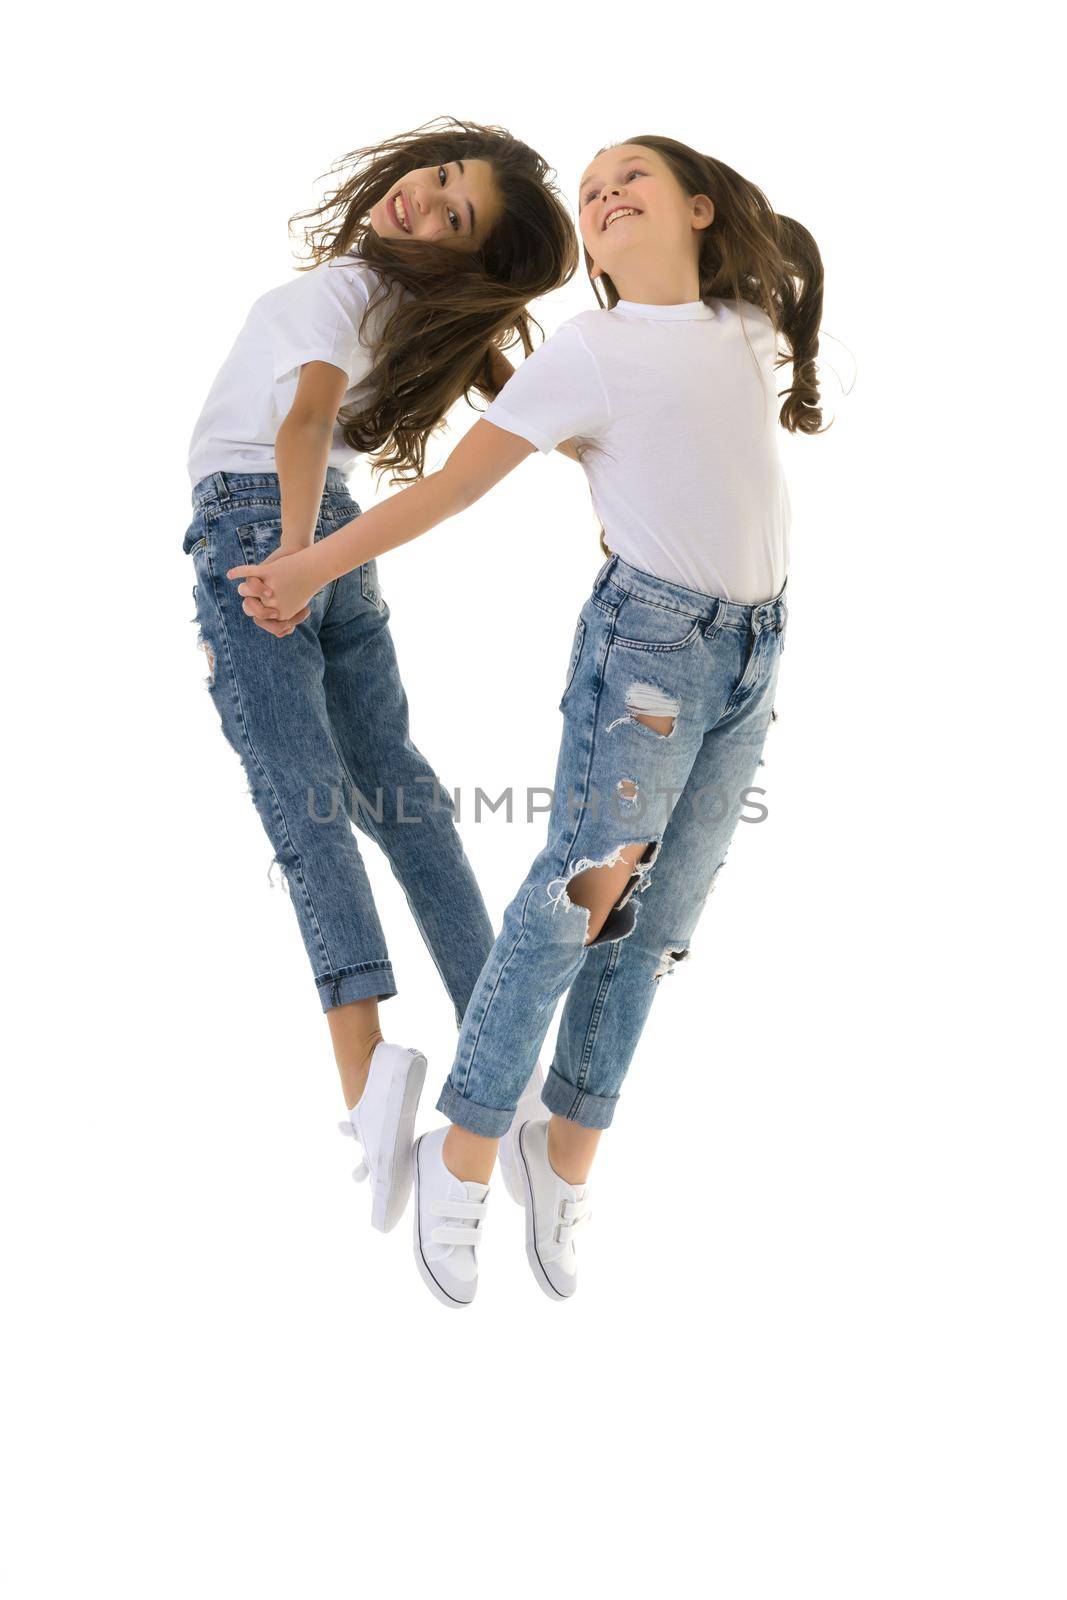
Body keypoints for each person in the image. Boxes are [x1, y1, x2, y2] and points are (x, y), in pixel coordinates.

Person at [228, 135, 825, 1305]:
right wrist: (308, 566)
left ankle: (565, 1151)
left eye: (630, 179)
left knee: (659, 925)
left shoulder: (746, 322)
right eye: (592, 188)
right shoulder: (588, 353)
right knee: (576, 902)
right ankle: (463, 1149)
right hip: (648, 656)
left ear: (698, 210)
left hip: (756, 651)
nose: (604, 194)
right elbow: (447, 491)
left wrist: (786, 287)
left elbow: (793, 267)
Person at [183, 117, 577, 1236]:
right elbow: (318, 425)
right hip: (331, 540)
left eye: (454, 216)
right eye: (441, 177)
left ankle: (368, 1080)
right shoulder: (392, 307)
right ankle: (507, 1056)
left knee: (304, 805)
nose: (424, 198)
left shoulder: (339, 289)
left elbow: (305, 420)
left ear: (456, 260)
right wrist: (319, 551)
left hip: (265, 534)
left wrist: (293, 561)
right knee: (399, 799)